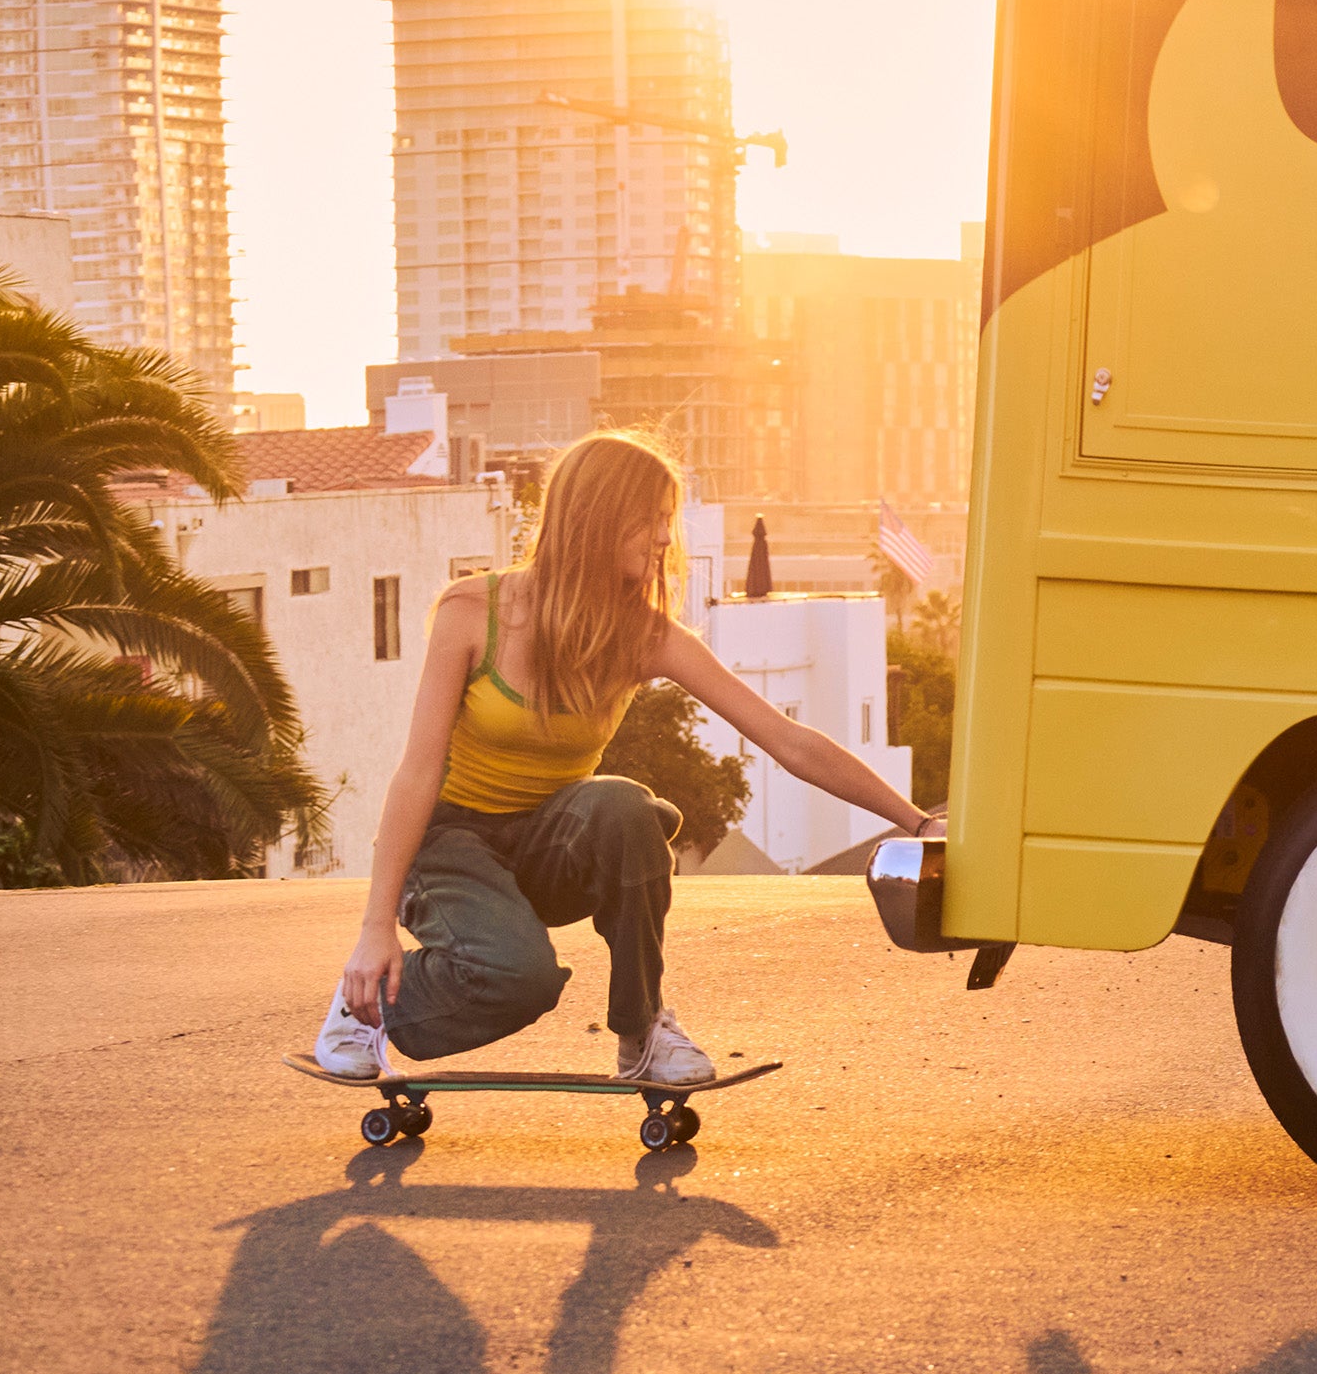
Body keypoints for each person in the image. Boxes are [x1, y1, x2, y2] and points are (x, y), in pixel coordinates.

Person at [300, 432, 938, 1085]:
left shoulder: (645, 636)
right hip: (447, 842)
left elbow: (790, 742)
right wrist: (375, 928)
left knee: (626, 809)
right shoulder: (472, 613)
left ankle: (643, 1031)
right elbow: (417, 772)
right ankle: (366, 1008)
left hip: (547, 843)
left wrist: (916, 824)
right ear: (598, 517)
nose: (666, 539)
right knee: (522, 979)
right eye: (653, 519)